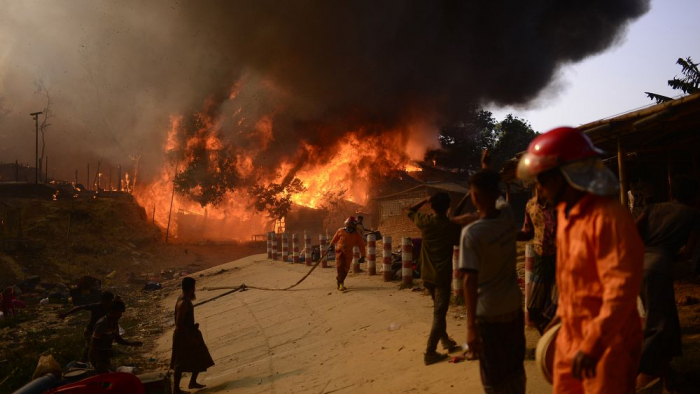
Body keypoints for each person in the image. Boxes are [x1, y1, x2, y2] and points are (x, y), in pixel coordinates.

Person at [517, 126, 644, 393]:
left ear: (569, 173)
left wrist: (593, 343)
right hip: (570, 332)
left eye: (544, 178)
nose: (538, 187)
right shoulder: (565, 214)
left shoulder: (609, 217)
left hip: (608, 341)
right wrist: (561, 315)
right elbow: (571, 278)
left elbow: (620, 290)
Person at [458, 169, 525, 393]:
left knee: (494, 379)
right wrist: (486, 168)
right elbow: (497, 200)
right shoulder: (507, 216)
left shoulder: (472, 234)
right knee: (515, 370)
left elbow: (469, 280)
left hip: (489, 316)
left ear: (474, 197)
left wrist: (470, 328)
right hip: (514, 309)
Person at [635, 174, 700, 391]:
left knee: (664, 321)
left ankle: (666, 377)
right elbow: (689, 254)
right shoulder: (693, 215)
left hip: (637, 265)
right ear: (696, 197)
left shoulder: (652, 208)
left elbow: (633, 231)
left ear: (672, 193)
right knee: (659, 326)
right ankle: (643, 378)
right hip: (659, 267)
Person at [407, 192, 461, 365]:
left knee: (438, 310)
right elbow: (459, 240)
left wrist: (424, 200)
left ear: (432, 206)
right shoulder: (450, 226)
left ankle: (445, 340)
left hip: (426, 275)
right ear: (447, 207)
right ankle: (430, 352)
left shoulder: (426, 222)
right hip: (441, 276)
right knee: (439, 313)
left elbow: (409, 210)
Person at [517, 185, 558, 334]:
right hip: (541, 259)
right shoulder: (531, 205)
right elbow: (527, 232)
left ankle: (554, 345)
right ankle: (547, 341)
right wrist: (509, 234)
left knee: (556, 306)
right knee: (533, 308)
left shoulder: (559, 204)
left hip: (560, 259)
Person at [171, 277, 215, 394]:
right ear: (192, 288)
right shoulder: (183, 303)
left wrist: (192, 327)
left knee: (200, 355)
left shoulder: (184, 299)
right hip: (183, 336)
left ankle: (193, 382)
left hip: (189, 333)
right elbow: (179, 322)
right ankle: (176, 389)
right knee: (179, 363)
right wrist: (190, 336)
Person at [89, 299, 142, 373]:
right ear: (112, 311)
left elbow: (117, 338)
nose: (120, 315)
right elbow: (93, 344)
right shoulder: (102, 324)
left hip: (105, 353)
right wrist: (98, 361)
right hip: (98, 355)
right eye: (119, 313)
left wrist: (131, 343)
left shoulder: (114, 323)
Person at [59, 291, 115, 362]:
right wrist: (66, 314)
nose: (109, 303)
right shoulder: (96, 306)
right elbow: (80, 307)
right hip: (90, 330)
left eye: (111, 301)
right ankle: (84, 362)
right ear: (103, 300)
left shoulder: (110, 308)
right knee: (90, 347)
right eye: (108, 301)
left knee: (100, 347)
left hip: (100, 331)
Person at [329, 216, 365, 291]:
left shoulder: (357, 235)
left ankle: (340, 279)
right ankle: (340, 284)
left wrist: (363, 256)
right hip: (340, 252)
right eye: (348, 225)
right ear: (346, 224)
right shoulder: (340, 231)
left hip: (348, 254)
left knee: (345, 269)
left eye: (351, 225)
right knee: (340, 267)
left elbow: (361, 246)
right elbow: (334, 239)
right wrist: (331, 246)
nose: (349, 227)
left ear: (354, 226)